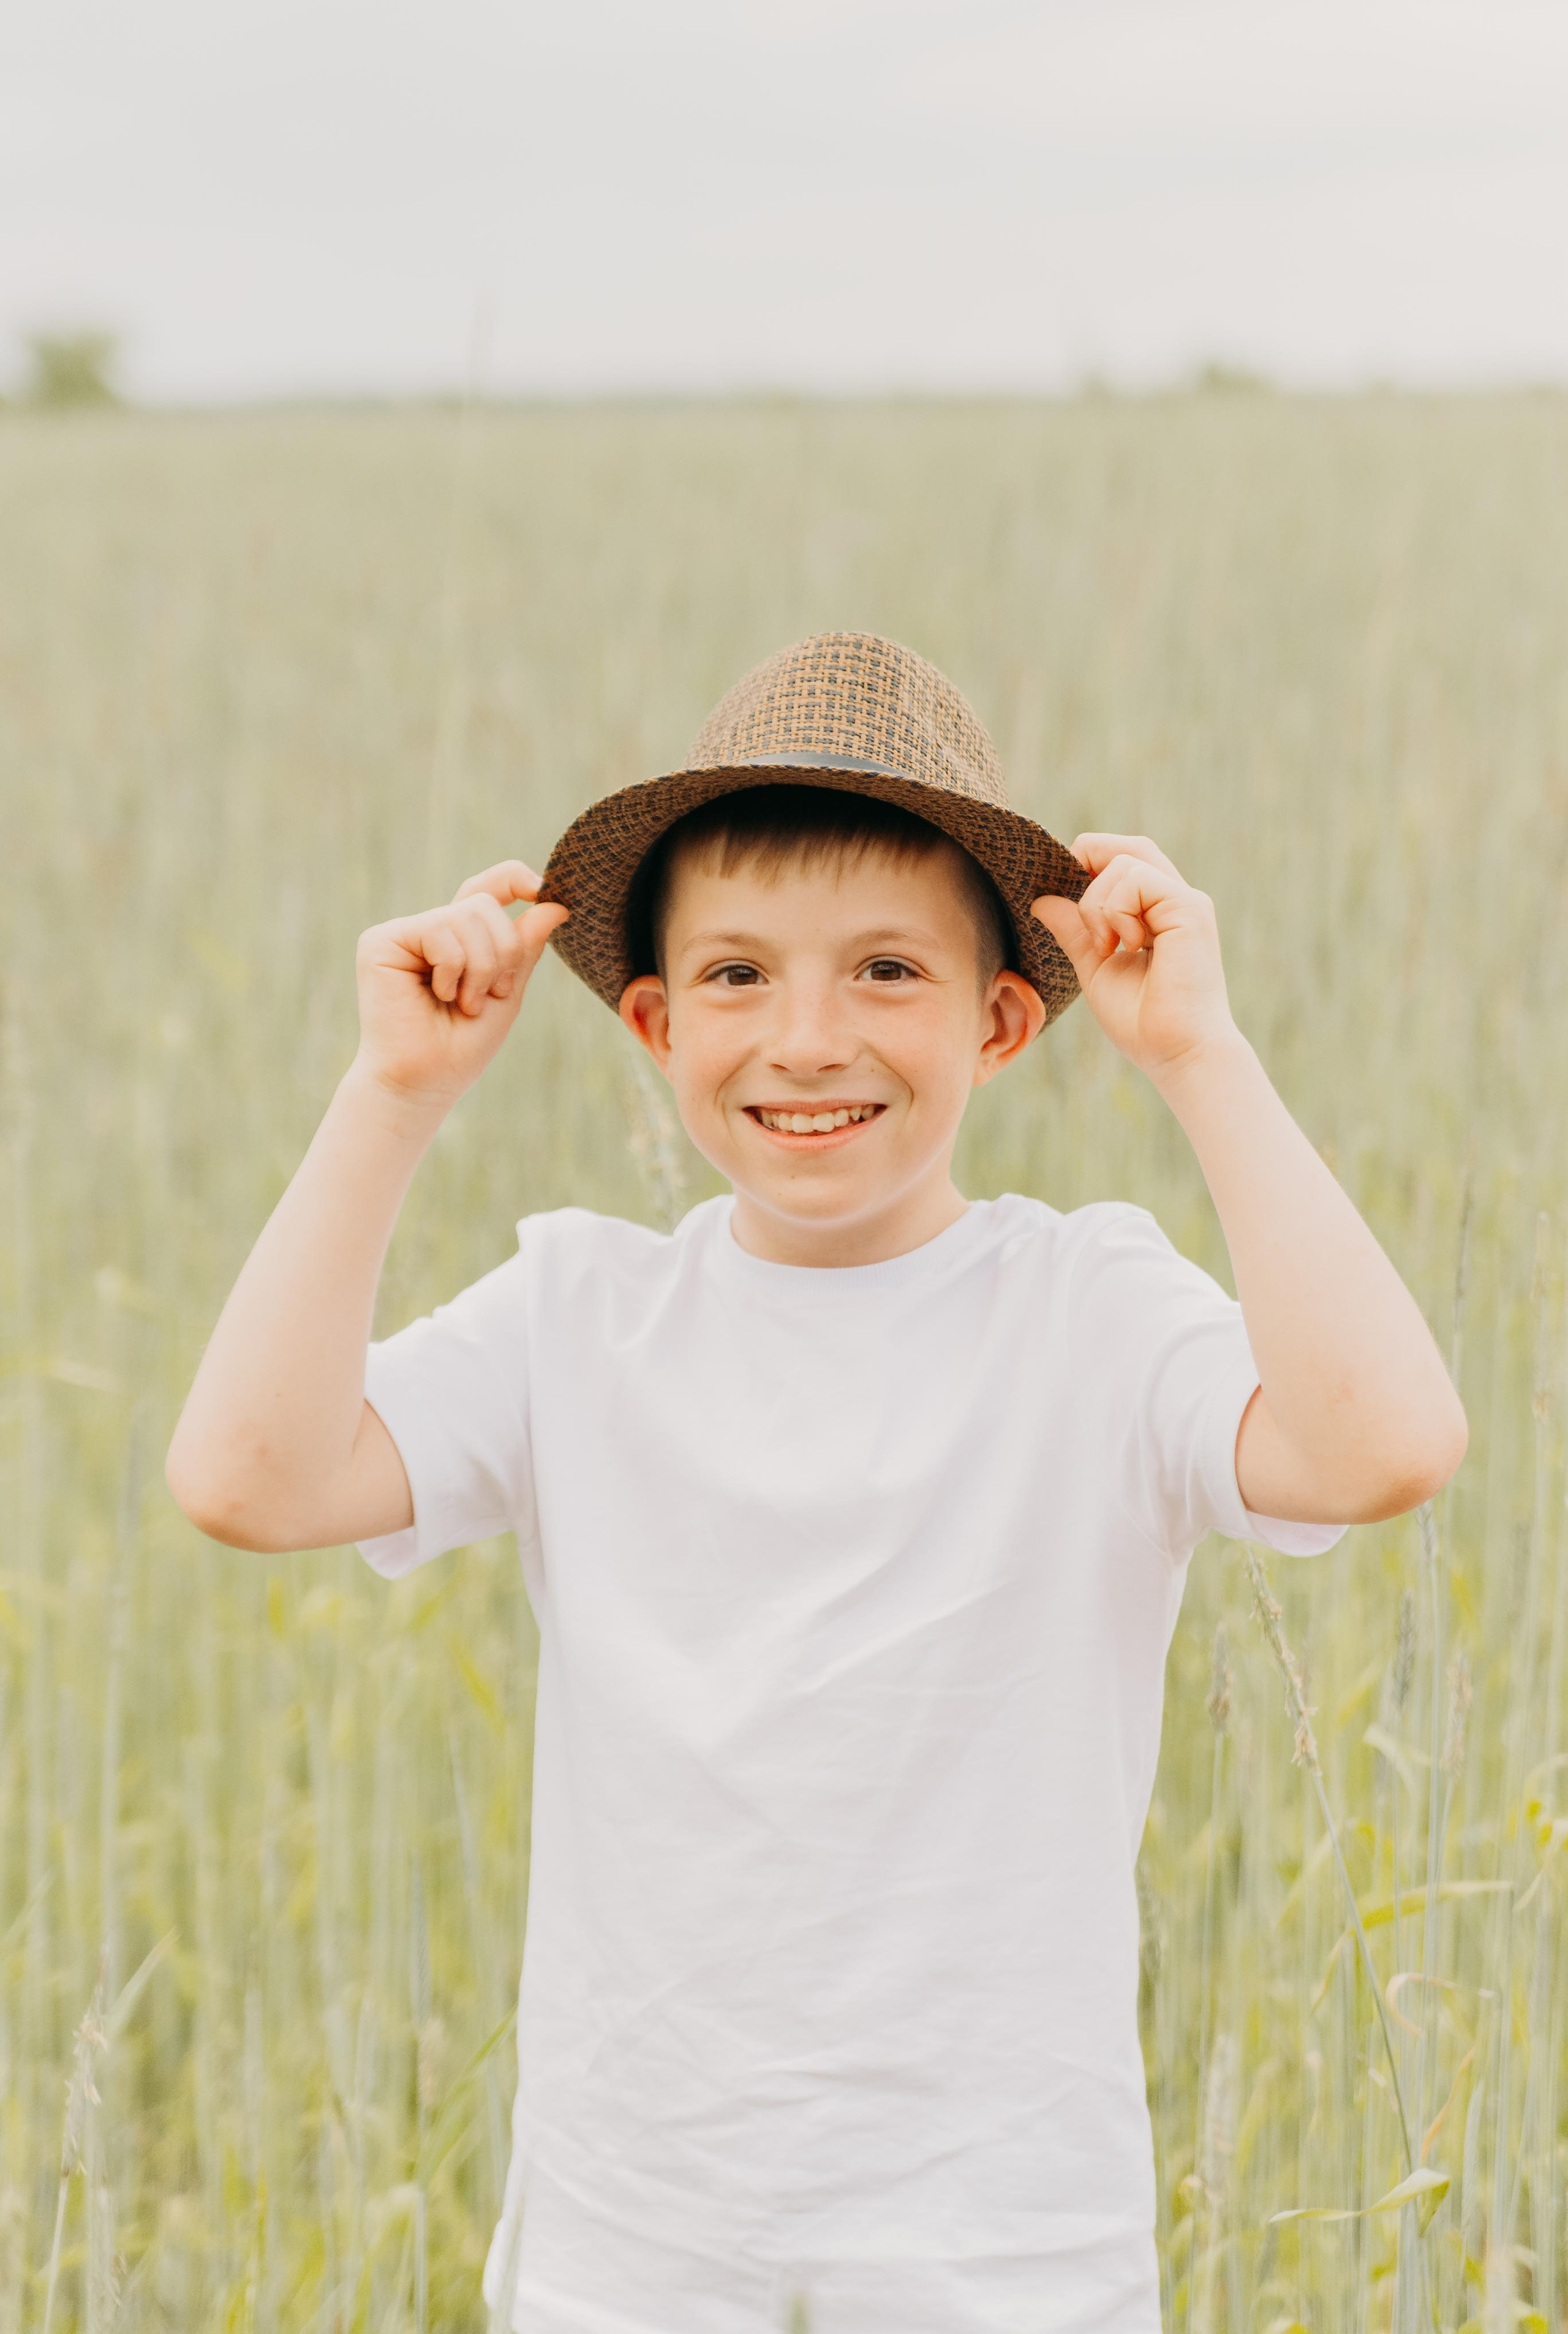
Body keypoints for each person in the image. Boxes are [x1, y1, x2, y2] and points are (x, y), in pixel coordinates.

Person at [167, 630, 1466, 2333]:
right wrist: (390, 1096)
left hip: (997, 2257)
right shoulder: (580, 1316)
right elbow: (246, 1475)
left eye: (885, 972)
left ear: (1003, 1021)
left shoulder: (1086, 1308)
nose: (806, 1039)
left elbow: (1385, 1442)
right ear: (649, 1020)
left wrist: (1199, 1058)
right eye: (735, 977)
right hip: (634, 2250)